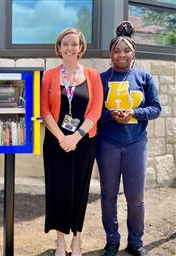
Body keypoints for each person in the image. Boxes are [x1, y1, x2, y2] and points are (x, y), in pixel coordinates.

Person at [96, 21, 161, 256]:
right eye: (117, 50)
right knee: (108, 195)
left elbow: (156, 108)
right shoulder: (101, 79)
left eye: (126, 50)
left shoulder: (144, 78)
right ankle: (112, 240)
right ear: (110, 53)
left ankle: (136, 241)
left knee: (135, 197)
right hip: (107, 145)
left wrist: (134, 112)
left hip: (136, 144)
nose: (121, 54)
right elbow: (93, 113)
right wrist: (110, 116)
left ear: (134, 52)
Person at [40, 28, 103, 256]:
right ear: (58, 48)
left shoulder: (93, 75)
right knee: (57, 191)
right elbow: (44, 110)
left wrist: (76, 136)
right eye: (64, 44)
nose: (69, 48)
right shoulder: (49, 75)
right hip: (56, 143)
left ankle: (77, 239)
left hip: (84, 143)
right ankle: (60, 241)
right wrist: (62, 138)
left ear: (81, 47)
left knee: (79, 190)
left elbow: (95, 110)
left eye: (74, 44)